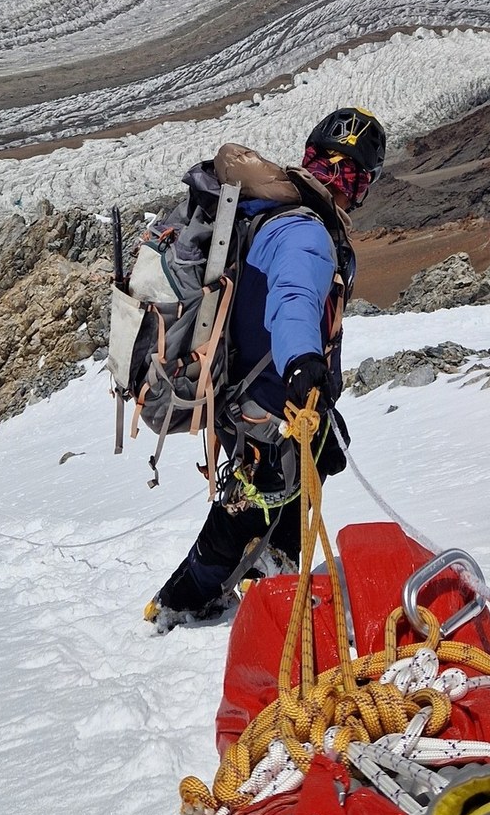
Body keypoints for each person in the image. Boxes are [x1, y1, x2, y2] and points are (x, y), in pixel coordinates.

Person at [145, 105, 386, 630]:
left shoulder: (272, 215)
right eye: (357, 181)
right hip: (270, 400)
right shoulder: (306, 233)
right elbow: (293, 297)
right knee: (247, 505)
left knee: (311, 460)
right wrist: (302, 362)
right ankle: (181, 601)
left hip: (253, 390)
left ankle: (272, 562)